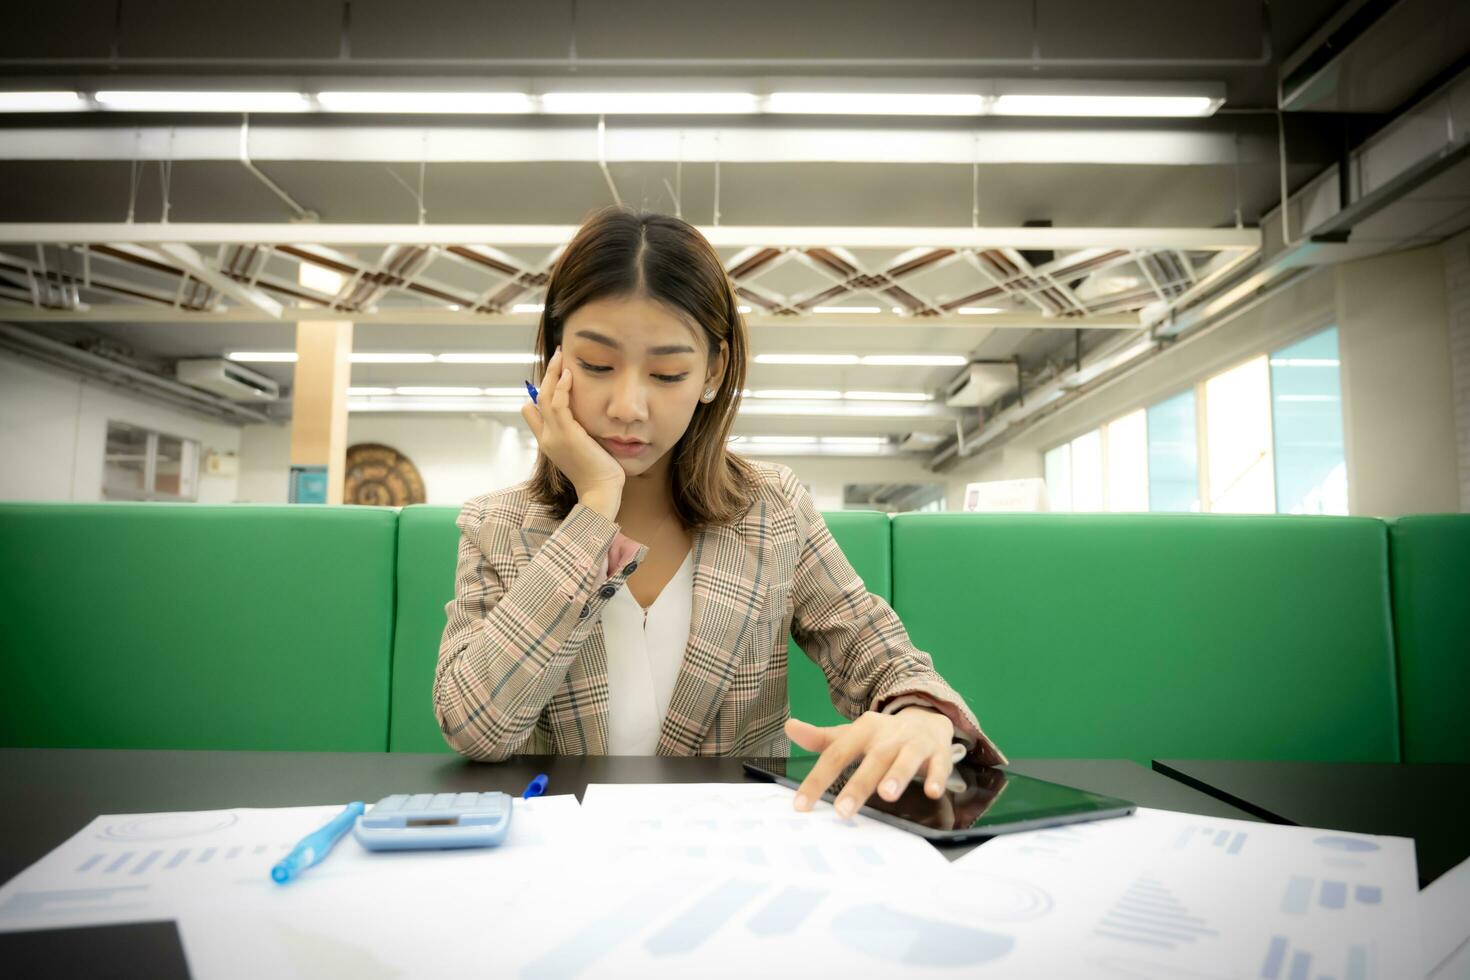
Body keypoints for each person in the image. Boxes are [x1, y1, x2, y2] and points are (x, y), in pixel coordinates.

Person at [434, 205, 1006, 817]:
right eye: (597, 365)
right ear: (553, 358)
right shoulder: (498, 526)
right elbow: (475, 727)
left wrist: (917, 716)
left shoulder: (773, 509)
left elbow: (877, 652)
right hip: (566, 865)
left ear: (713, 371)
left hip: (731, 863)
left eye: (668, 372)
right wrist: (596, 506)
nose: (628, 405)